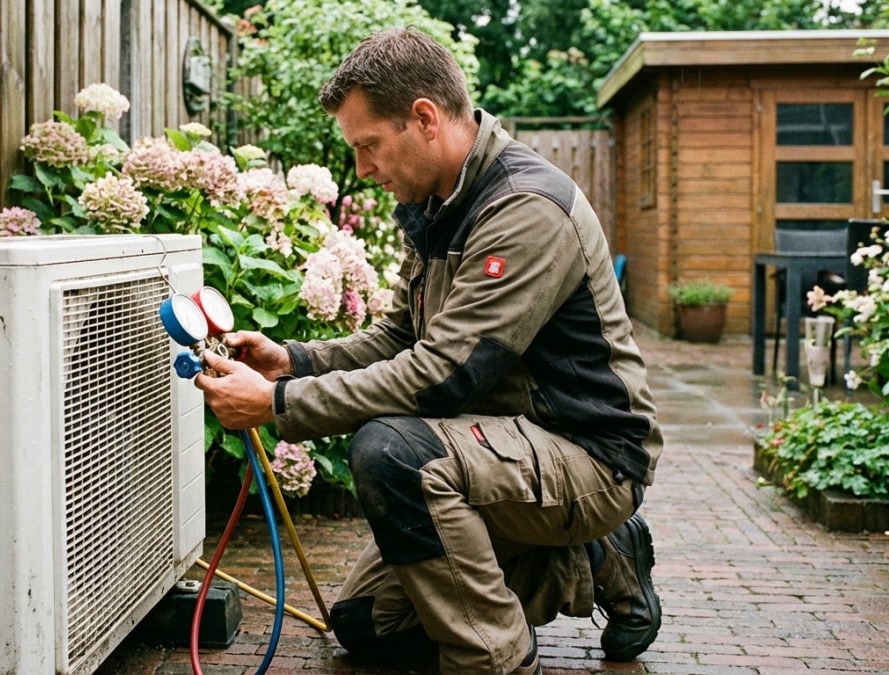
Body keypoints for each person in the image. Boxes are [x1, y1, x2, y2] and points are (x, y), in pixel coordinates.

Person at [195, 26, 663, 675]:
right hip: (497, 444)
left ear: (424, 118)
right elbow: (399, 337)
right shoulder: (439, 205)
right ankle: (591, 559)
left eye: (368, 145)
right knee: (367, 625)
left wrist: (277, 402)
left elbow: (442, 374)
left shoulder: (525, 209)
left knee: (392, 453)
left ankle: (496, 657)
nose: (362, 169)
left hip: (589, 455)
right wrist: (293, 362)